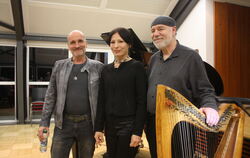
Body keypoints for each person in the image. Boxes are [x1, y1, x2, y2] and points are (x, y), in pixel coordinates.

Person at [145, 16, 220, 158]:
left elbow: (205, 90)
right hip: (153, 124)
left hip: (180, 126)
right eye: (153, 30)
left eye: (160, 29)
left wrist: (210, 106)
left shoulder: (191, 56)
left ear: (173, 30)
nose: (155, 34)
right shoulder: (154, 58)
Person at [37, 30, 103, 158]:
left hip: (88, 125)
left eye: (80, 41)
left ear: (86, 43)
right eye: (73, 42)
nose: (77, 45)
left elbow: (103, 99)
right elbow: (51, 95)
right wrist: (44, 123)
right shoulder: (59, 66)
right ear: (68, 46)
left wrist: (101, 126)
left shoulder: (98, 67)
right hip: (63, 125)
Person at [94, 27, 147, 158]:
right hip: (110, 126)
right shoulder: (106, 69)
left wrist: (137, 132)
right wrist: (98, 128)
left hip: (128, 126)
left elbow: (142, 102)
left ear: (129, 44)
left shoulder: (137, 67)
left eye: (121, 41)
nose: (116, 46)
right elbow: (101, 100)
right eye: (112, 42)